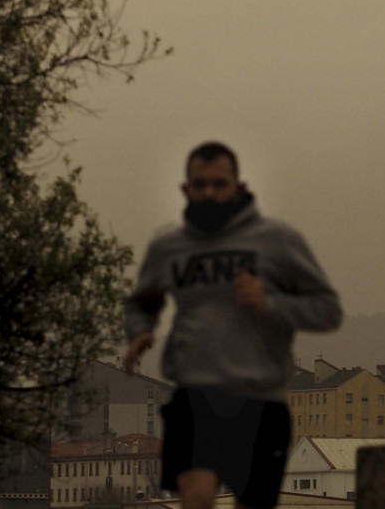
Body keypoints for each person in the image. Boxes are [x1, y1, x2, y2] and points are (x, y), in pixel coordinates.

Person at [123, 141, 342, 509]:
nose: (209, 193)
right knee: (197, 500)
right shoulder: (169, 246)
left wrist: (269, 302)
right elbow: (142, 302)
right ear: (185, 189)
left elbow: (327, 309)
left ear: (238, 187)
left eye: (219, 184)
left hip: (260, 399)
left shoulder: (277, 240)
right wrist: (140, 331)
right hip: (196, 395)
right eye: (200, 184)